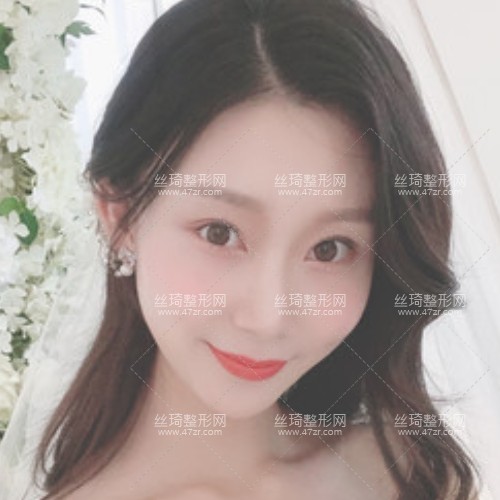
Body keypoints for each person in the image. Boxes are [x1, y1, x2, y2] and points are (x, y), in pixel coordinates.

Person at [21, 0, 480, 498]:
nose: (268, 317)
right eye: (220, 233)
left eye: (329, 249)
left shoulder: (412, 475)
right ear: (119, 217)